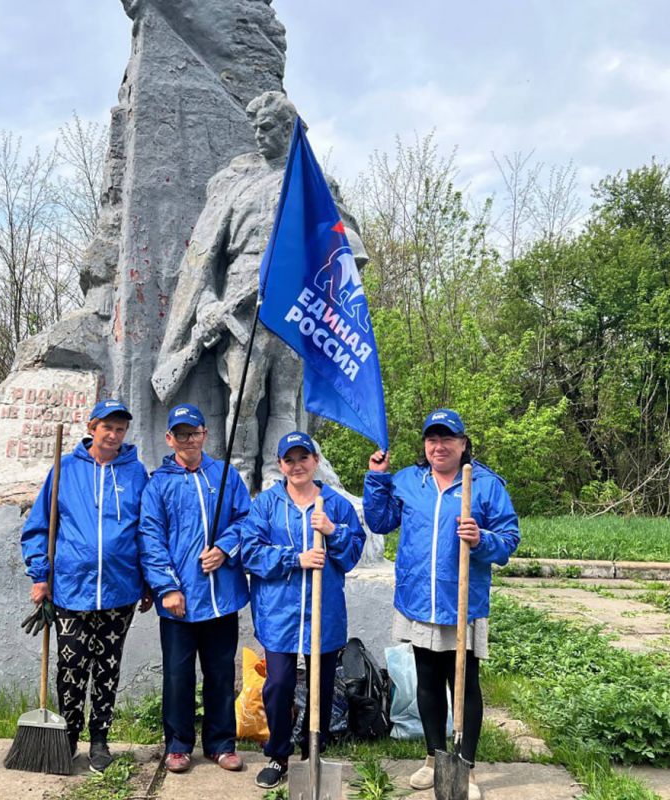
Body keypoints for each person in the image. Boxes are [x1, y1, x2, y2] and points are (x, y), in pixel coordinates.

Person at [152, 90, 366, 491]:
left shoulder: (313, 182)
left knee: (285, 398)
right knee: (244, 395)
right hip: (240, 302)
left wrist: (337, 251)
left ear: (288, 128)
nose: (258, 136)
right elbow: (203, 259)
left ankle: (274, 474)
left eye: (266, 128)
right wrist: (207, 304)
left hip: (293, 300)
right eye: (255, 128)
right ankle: (238, 473)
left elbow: (346, 238)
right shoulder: (233, 183)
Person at [363, 408, 519, 799]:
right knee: (428, 682)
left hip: (462, 602)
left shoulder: (484, 485)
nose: (439, 446)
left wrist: (481, 539)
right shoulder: (409, 481)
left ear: (463, 444)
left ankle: (465, 766)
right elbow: (380, 522)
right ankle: (434, 758)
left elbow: (508, 539)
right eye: (432, 439)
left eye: (447, 438)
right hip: (419, 600)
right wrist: (377, 478)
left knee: (465, 685)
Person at [19, 399, 153, 773]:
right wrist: (40, 576)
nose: (113, 434)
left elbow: (146, 531)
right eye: (107, 427)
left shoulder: (136, 473)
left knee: (107, 668)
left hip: (120, 590)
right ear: (92, 427)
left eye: (120, 429)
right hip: (70, 588)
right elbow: (38, 528)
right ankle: (67, 736)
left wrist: (148, 582)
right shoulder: (65, 470)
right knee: (72, 665)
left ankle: (100, 738)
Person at [240, 431, 366, 789]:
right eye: (289, 459)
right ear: (281, 465)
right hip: (278, 611)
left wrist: (332, 531)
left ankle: (313, 752)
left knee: (320, 685)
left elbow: (352, 555)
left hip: (324, 611)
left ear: (315, 461)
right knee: (279, 684)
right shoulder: (266, 504)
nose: (297, 466)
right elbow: (250, 552)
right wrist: (296, 559)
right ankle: (278, 754)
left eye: (303, 458)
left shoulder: (335, 504)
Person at [138, 403, 252, 775]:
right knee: (178, 676)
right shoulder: (158, 484)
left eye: (195, 432)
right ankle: (178, 745)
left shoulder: (225, 475)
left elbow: (245, 519)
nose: (189, 439)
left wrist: (224, 549)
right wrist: (167, 588)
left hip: (221, 597)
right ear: (169, 438)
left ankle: (221, 743)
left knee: (220, 674)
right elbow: (150, 539)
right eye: (181, 434)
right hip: (179, 601)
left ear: (205, 434)